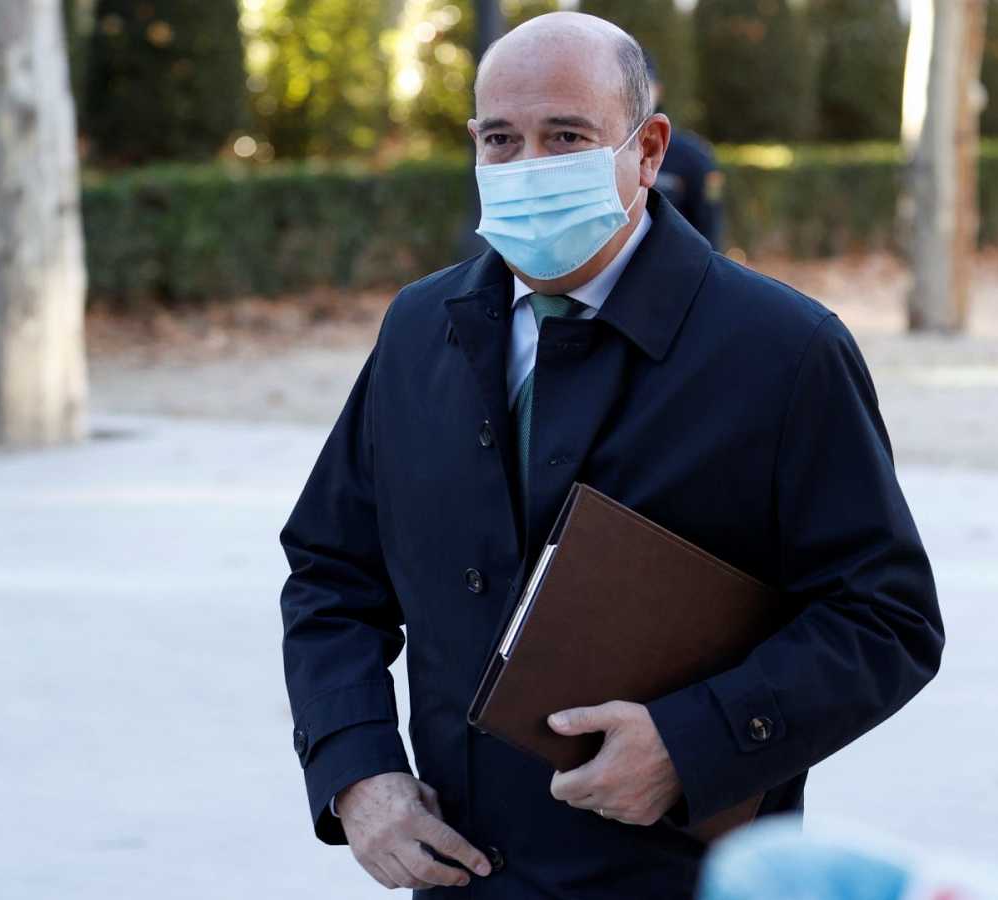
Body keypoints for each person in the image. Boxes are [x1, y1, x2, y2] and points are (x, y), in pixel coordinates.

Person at [279, 12, 942, 898]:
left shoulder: (784, 351)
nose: (529, 166)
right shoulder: (418, 329)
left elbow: (887, 618)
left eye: (566, 137)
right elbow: (330, 574)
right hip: (461, 879)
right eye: (501, 140)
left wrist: (692, 742)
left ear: (649, 149)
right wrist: (356, 768)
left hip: (679, 879)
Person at [645, 53, 725, 248]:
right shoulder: (597, 153)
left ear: (658, 90)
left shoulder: (693, 157)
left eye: (641, 86)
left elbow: (709, 225)